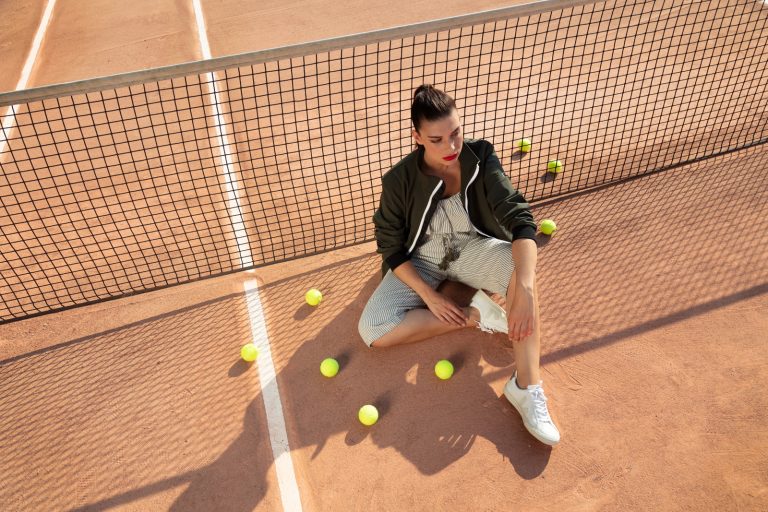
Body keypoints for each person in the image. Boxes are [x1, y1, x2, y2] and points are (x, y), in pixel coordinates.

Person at [357, 84, 561, 446]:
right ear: (417, 138)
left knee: (519, 271)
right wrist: (428, 295)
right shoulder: (398, 181)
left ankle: (526, 387)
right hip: (422, 258)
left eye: (455, 133)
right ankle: (478, 315)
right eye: (436, 139)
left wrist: (526, 291)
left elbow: (519, 219)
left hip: (471, 248)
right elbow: (390, 247)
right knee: (372, 328)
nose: (450, 146)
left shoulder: (480, 157)